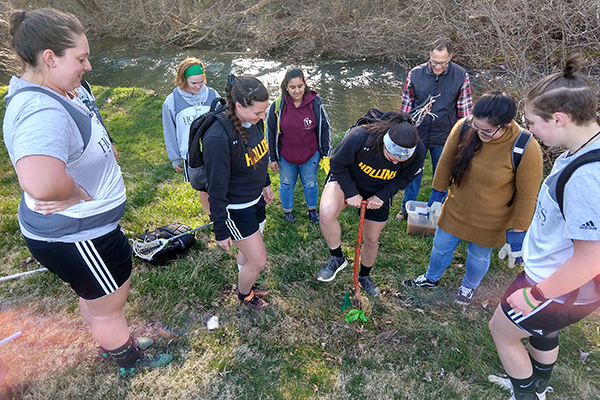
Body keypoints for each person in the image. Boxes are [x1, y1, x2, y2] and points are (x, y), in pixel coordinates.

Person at [2, 8, 172, 376]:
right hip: (80, 236)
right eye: (80, 58)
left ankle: (109, 339)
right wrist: (78, 192)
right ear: (50, 58)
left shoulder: (54, 88)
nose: (89, 66)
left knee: (97, 298)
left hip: (82, 233)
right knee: (108, 303)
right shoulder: (39, 109)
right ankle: (127, 359)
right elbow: (41, 181)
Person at [488, 55, 600, 400]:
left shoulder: (586, 178)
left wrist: (536, 294)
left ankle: (526, 394)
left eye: (532, 122)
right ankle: (537, 384)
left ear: (559, 118)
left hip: (558, 285)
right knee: (541, 333)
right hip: (557, 281)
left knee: (502, 331)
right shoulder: (582, 149)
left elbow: (590, 260)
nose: (529, 130)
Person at [403, 92, 543, 305]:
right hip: (456, 208)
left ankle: (468, 288)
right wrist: (435, 197)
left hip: (491, 219)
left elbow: (527, 196)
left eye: (486, 131)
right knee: (440, 247)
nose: (479, 133)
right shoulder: (464, 127)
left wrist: (518, 235)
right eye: (476, 127)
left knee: (478, 257)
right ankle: (431, 278)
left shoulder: (526, 148)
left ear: (505, 125)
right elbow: (445, 164)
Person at [317, 112, 426, 296]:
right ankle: (337, 258)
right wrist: (351, 192)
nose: (394, 162)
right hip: (347, 180)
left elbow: (405, 178)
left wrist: (382, 196)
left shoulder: (419, 151)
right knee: (327, 213)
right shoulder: (361, 136)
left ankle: (364, 276)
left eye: (400, 160)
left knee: (372, 239)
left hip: (380, 189)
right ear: (385, 142)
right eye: (391, 156)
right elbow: (336, 163)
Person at [202, 74, 273, 310]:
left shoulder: (254, 121)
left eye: (264, 112)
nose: (262, 117)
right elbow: (216, 190)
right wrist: (220, 230)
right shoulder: (217, 137)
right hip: (236, 209)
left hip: (255, 201)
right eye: (258, 113)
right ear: (239, 106)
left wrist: (266, 182)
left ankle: (248, 280)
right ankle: (244, 295)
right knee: (259, 260)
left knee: (250, 255)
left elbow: (260, 156)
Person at [395, 38, 473, 221]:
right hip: (418, 134)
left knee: (442, 174)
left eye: (443, 63)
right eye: (434, 62)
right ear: (429, 56)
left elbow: (464, 112)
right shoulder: (415, 74)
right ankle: (407, 207)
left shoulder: (461, 76)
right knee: (412, 172)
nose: (438, 67)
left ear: (451, 57)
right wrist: (404, 129)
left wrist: (463, 137)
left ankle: (438, 209)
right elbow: (406, 106)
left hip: (445, 134)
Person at [266, 68, 332, 223]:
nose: (297, 91)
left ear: (305, 85)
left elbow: (325, 129)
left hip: (310, 154)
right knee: (286, 183)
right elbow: (269, 132)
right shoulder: (277, 106)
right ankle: (288, 212)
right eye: (292, 87)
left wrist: (326, 155)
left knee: (310, 183)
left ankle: (312, 210)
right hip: (286, 155)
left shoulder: (315, 104)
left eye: (300, 86)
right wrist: (272, 157)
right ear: (286, 87)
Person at [162, 57, 219, 214]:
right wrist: (174, 157)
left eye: (201, 82)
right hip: (191, 155)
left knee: (221, 184)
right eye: (194, 83)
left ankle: (223, 212)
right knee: (204, 189)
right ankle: (212, 216)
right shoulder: (171, 101)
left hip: (215, 151)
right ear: (183, 79)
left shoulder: (213, 95)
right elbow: (169, 131)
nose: (198, 86)